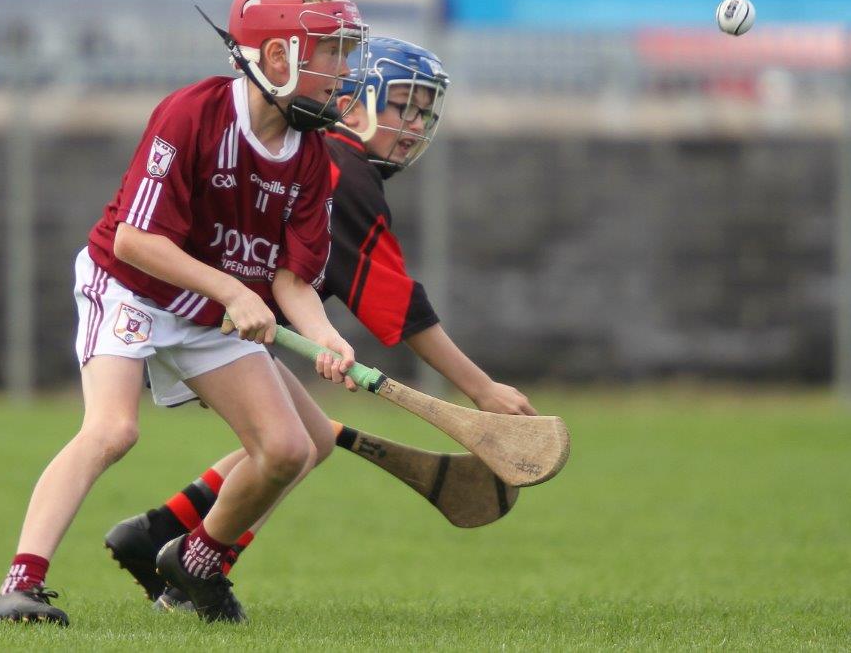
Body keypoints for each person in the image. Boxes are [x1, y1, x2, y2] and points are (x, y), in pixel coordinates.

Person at [0, 0, 368, 626]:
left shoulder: (310, 156)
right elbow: (134, 240)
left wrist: (325, 335)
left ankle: (197, 562)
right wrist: (231, 289)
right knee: (112, 429)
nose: (343, 69)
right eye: (330, 50)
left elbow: (294, 280)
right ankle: (20, 584)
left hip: (209, 309)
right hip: (131, 285)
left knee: (292, 448)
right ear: (276, 57)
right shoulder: (192, 114)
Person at [102, 36, 536, 614]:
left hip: (222, 319)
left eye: (425, 110)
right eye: (402, 104)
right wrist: (481, 389)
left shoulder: (324, 156)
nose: (415, 123)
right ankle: (195, 563)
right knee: (289, 447)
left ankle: (161, 532)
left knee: (305, 443)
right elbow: (398, 305)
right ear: (354, 102)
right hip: (210, 320)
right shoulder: (343, 171)